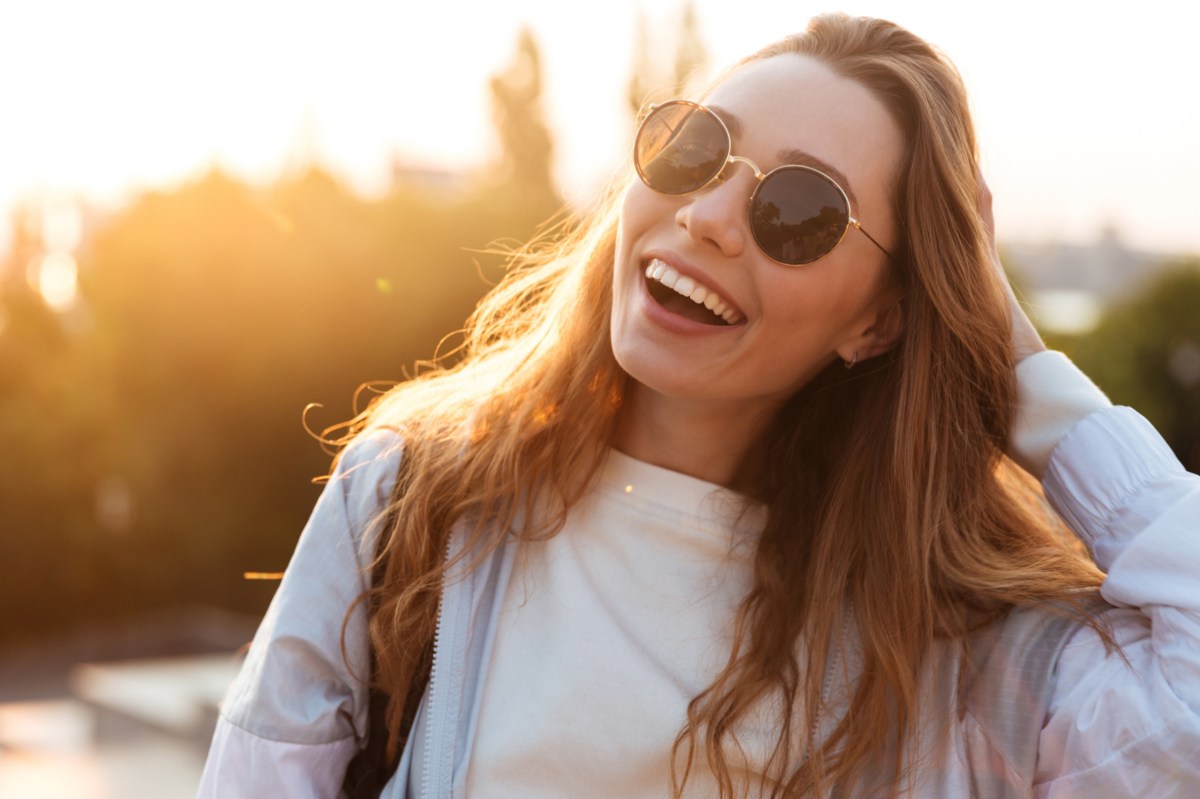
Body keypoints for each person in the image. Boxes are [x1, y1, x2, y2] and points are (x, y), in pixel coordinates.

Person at [197, 13, 1200, 798]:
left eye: (798, 211)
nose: (711, 216)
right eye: (697, 149)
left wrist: (1028, 378)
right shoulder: (412, 497)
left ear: (877, 324)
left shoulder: (957, 650)